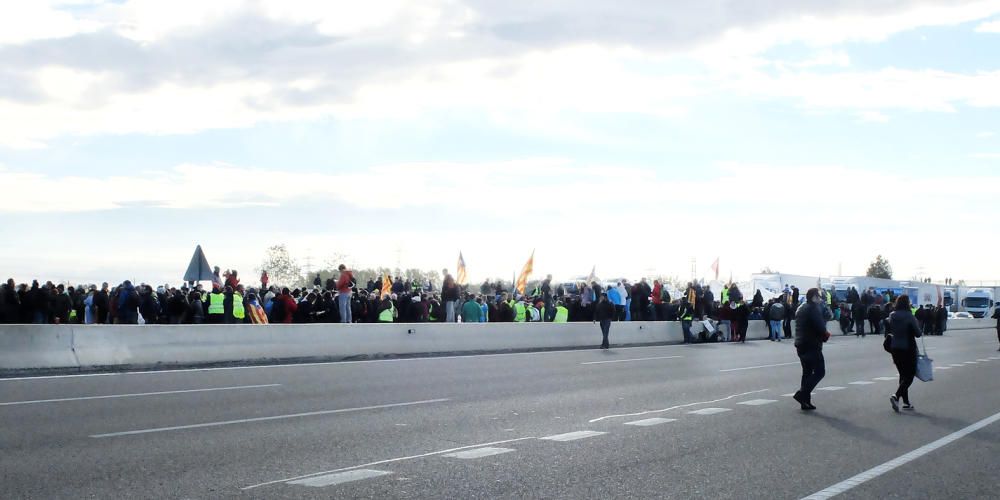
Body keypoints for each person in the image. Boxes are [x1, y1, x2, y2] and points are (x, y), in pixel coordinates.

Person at [793, 288, 830, 411]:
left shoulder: (801, 307)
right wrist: (825, 334)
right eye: (819, 297)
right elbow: (820, 326)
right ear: (814, 297)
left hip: (800, 343)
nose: (820, 299)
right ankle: (802, 394)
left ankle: (805, 402)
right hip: (811, 344)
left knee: (807, 372)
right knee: (820, 371)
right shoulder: (813, 308)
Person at [887, 295, 921, 412]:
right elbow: (918, 333)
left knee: (902, 374)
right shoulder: (909, 316)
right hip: (908, 348)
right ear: (907, 303)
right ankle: (896, 396)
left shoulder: (892, 315)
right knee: (910, 375)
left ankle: (906, 403)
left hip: (895, 348)